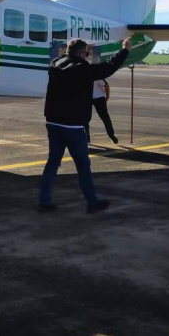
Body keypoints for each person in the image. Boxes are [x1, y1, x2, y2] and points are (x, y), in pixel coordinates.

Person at [39, 37, 131, 214]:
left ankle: (44, 199)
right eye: (86, 54)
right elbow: (109, 67)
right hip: (73, 126)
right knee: (82, 165)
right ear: (82, 53)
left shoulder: (55, 63)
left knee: (52, 162)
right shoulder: (82, 69)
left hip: (53, 122)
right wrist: (124, 50)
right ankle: (92, 202)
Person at [87, 78, 118, 144]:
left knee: (85, 119)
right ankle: (111, 134)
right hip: (98, 97)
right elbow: (106, 85)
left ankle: (87, 139)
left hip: (88, 97)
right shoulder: (97, 75)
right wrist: (107, 97)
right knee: (105, 117)